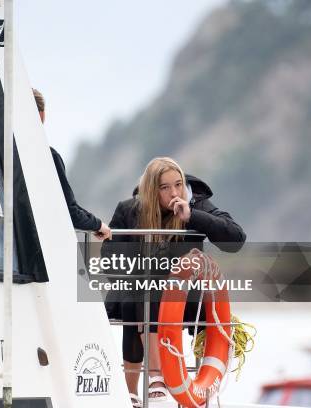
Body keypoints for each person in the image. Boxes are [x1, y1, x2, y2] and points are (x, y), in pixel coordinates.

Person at [101, 157, 245, 407]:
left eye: (178, 184)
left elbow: (236, 239)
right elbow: (109, 257)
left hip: (186, 297)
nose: (174, 192)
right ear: (151, 189)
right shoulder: (128, 210)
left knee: (148, 292)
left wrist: (193, 217)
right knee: (139, 294)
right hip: (139, 294)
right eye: (164, 187)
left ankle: (157, 378)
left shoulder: (197, 204)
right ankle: (132, 391)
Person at [0, 88, 111, 240]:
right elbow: (69, 210)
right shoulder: (48, 158)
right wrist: (98, 225)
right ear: (41, 115)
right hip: (34, 253)